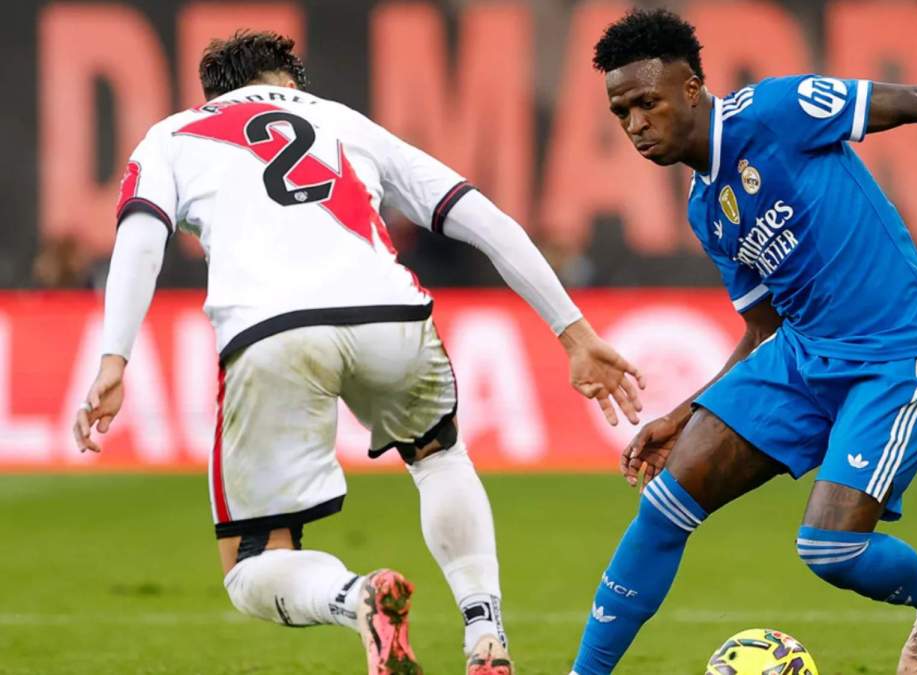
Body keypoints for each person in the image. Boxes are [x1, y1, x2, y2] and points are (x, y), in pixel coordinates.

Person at [570, 9, 917, 675]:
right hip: (805, 353)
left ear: (690, 88)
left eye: (646, 103)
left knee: (829, 549)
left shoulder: (775, 112)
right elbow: (762, 328)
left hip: (898, 353)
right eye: (621, 111)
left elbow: (912, 101)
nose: (634, 125)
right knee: (663, 507)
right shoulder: (704, 208)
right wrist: (684, 413)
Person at [70, 31, 645, 675]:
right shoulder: (344, 121)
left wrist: (113, 357)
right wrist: (573, 332)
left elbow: (141, 240)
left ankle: (355, 597)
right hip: (391, 314)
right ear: (288, 83)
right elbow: (480, 216)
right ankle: (485, 632)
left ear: (216, 94)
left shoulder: (172, 135)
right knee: (438, 457)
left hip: (270, 331)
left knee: (252, 561)